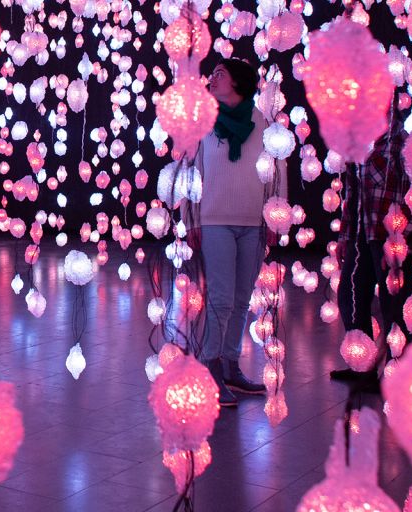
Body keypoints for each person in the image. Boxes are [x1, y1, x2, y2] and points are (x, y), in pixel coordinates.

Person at [187, 58, 281, 408]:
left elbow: (277, 173)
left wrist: (275, 218)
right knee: (222, 299)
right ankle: (209, 365)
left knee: (242, 299)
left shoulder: (263, 123)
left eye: (220, 74)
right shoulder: (205, 125)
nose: (212, 78)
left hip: (253, 223)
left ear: (239, 83)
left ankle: (230, 366)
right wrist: (191, 219)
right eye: (213, 73)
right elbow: (191, 174)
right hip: (215, 221)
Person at [330, 131, 410, 383]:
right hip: (361, 232)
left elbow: (399, 185)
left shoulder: (399, 142)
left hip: (391, 236)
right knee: (350, 296)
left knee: (393, 305)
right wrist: (344, 236)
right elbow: (353, 193)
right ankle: (361, 366)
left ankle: (395, 373)